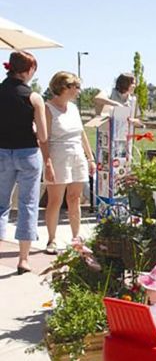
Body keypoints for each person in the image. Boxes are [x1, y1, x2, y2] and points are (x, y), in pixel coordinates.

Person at [0, 50, 53, 274]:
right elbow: (42, 135)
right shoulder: (34, 98)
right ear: (29, 70)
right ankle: (23, 259)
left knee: (1, 204)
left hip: (2, 152)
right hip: (28, 154)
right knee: (27, 205)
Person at [44, 72, 96, 253]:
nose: (79, 91)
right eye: (77, 87)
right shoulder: (48, 108)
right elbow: (44, 138)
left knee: (75, 198)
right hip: (58, 155)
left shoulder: (73, 108)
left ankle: (76, 238)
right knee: (55, 199)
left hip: (77, 154)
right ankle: (51, 240)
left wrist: (90, 157)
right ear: (65, 87)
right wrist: (47, 162)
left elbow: (81, 133)